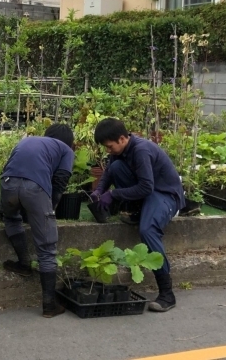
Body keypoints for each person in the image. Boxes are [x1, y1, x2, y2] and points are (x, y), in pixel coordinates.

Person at [90, 118, 184, 313]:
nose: (108, 150)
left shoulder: (141, 150)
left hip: (165, 194)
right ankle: (139, 210)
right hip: (149, 194)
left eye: (110, 146)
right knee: (116, 168)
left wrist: (113, 194)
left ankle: (167, 293)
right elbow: (109, 173)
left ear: (123, 138)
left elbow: (146, 186)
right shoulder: (121, 151)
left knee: (147, 230)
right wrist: (99, 191)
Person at [0, 124, 75, 318]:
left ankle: (23, 263)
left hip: (7, 182)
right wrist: (52, 208)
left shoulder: (27, 141)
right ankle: (49, 304)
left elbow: (9, 165)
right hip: (34, 187)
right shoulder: (66, 149)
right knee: (47, 247)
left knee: (11, 217)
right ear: (69, 142)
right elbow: (61, 179)